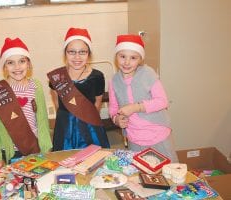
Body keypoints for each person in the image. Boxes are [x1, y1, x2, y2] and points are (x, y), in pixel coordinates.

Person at [0, 37, 52, 172]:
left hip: (35, 145)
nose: (17, 67)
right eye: (10, 63)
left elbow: (42, 119)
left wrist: (46, 146)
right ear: (4, 67)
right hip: (12, 151)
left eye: (22, 61)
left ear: (29, 64)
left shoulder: (35, 86)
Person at [108, 34, 179, 162]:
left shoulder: (148, 74)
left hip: (158, 135)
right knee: (141, 174)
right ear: (116, 56)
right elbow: (113, 108)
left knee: (169, 171)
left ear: (140, 59)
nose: (127, 62)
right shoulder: (114, 81)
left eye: (133, 58)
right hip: (134, 139)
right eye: (122, 56)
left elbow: (162, 101)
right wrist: (116, 119)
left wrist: (136, 107)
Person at [47, 27, 110, 151]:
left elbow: (97, 105)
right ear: (65, 53)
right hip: (65, 130)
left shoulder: (97, 77)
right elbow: (58, 105)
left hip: (90, 129)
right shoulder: (57, 77)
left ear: (89, 54)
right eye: (72, 52)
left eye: (82, 52)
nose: (77, 57)